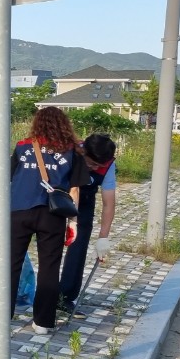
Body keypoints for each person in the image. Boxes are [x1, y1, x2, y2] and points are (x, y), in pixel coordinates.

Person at [0, 106, 90, 334]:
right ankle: (43, 321)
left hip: (19, 210)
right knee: (49, 266)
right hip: (53, 215)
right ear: (64, 125)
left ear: (36, 123)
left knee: (10, 264)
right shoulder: (72, 151)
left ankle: (2, 316)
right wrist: (73, 222)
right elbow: (75, 190)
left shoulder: (22, 147)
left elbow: (8, 178)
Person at [58, 133, 117, 317]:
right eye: (90, 163)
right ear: (83, 151)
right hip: (57, 199)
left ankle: (65, 297)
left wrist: (103, 238)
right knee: (51, 247)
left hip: (84, 203)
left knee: (78, 246)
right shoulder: (69, 153)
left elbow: (109, 202)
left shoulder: (107, 165)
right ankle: (46, 295)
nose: (93, 168)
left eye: (98, 166)